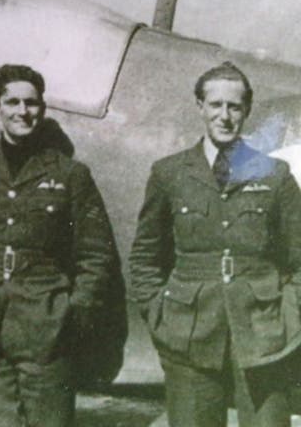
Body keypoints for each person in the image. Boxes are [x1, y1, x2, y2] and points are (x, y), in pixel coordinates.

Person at [0, 64, 123, 427]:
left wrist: (71, 318)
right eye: (12, 102)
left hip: (45, 331)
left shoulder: (70, 175)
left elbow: (96, 257)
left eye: (31, 103)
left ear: (42, 109)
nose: (22, 111)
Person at [129, 61, 301, 426]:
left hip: (262, 337)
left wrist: (288, 320)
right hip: (189, 337)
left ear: (247, 111)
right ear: (200, 107)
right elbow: (146, 257)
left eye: (234, 106)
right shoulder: (169, 173)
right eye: (216, 105)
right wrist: (160, 319)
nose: (225, 116)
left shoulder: (275, 176)